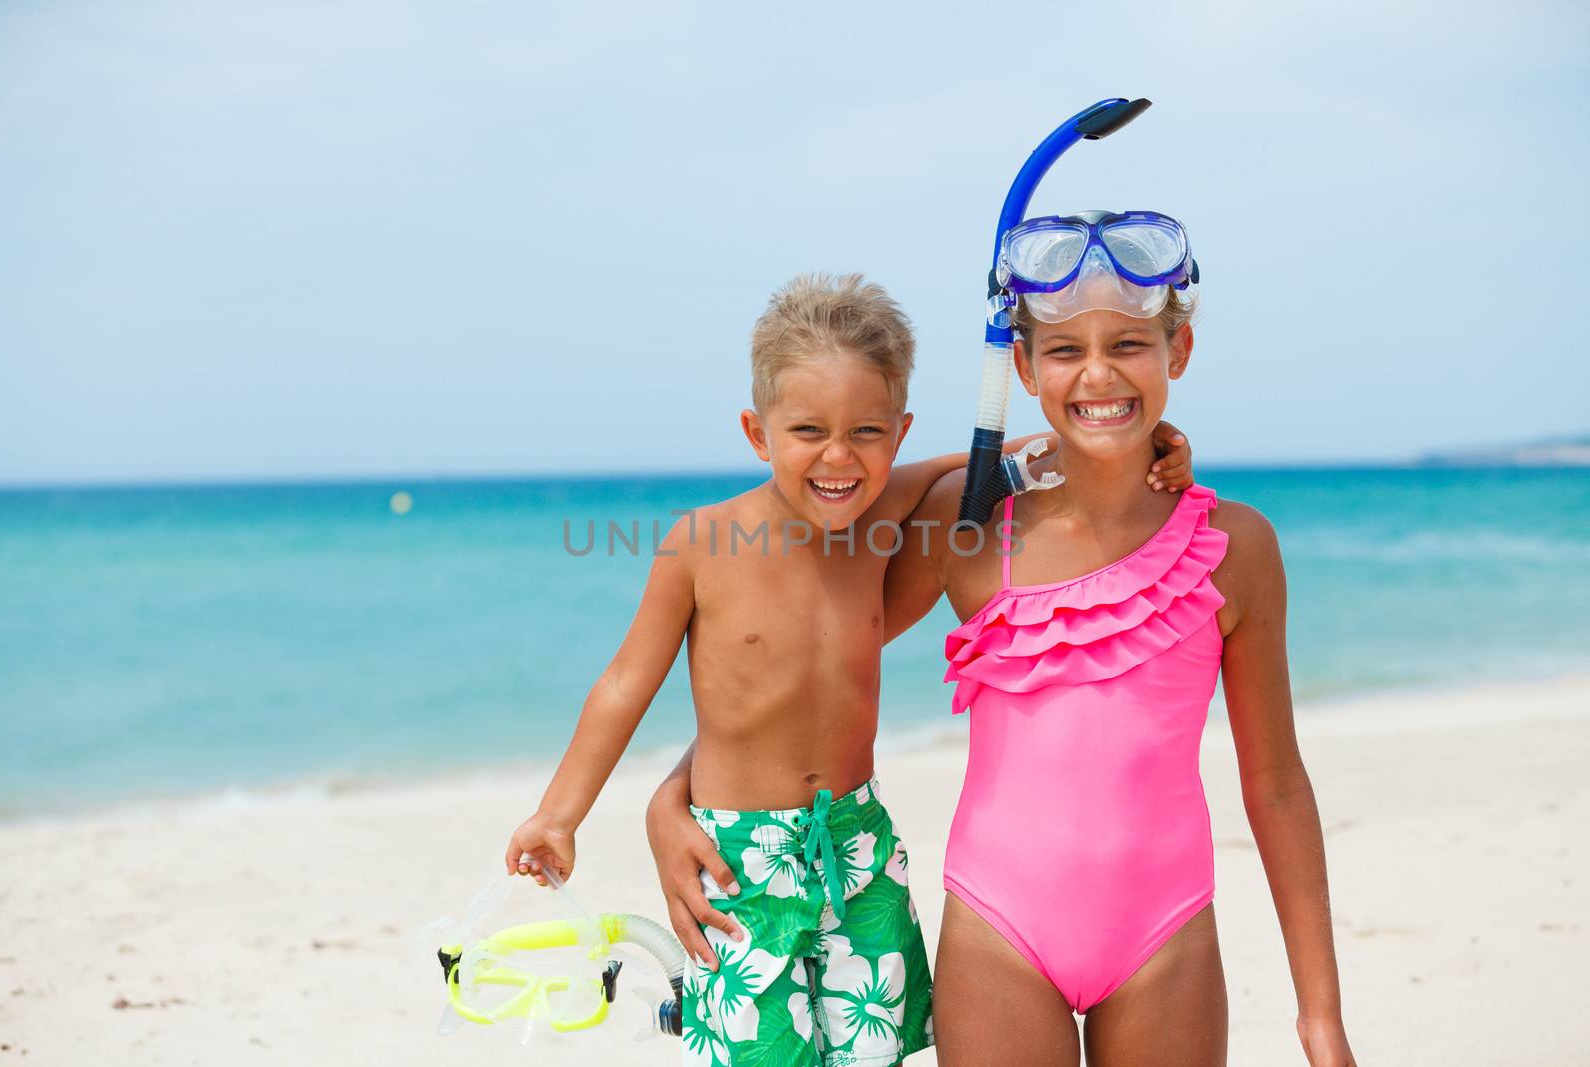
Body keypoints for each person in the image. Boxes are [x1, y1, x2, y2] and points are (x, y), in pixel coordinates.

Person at [505, 271, 1194, 1067]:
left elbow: (986, 463)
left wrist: (1159, 443)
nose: (839, 457)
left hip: (858, 846)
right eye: (808, 431)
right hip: (740, 860)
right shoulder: (700, 544)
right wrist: (560, 815)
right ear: (757, 432)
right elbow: (625, 685)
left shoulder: (878, 523)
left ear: (896, 434)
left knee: (876, 1053)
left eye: (866, 433)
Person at [882, 210, 1358, 1066]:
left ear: (1177, 352)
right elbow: (805, 654)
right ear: (1022, 367)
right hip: (999, 931)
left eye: (1129, 344)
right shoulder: (967, 537)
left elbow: (1278, 784)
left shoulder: (1235, 548)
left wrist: (1319, 1013)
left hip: (1165, 934)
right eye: (1064, 350)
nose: (1098, 372)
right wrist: (680, 789)